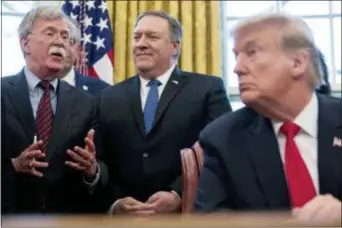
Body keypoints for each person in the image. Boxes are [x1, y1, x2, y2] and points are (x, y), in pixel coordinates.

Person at [194, 13, 342, 225]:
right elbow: (209, 221)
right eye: (237, 56)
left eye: (252, 53)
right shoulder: (223, 138)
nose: (237, 68)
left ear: (298, 62)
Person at [95, 10, 232, 215]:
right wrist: (115, 204)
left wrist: (180, 194)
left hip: (186, 216)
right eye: (137, 36)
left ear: (174, 46)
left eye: (152, 37)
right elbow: (99, 160)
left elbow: (219, 152)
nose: (141, 43)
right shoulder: (108, 97)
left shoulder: (208, 89)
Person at [1, 6, 105, 214]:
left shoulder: (87, 103)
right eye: (50, 33)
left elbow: (102, 167)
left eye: (65, 36)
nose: (61, 41)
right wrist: (13, 165)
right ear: (25, 43)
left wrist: (92, 170)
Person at [59, 17, 110, 97]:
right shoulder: (33, 86)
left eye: (71, 41)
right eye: (57, 41)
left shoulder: (103, 91)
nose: (64, 47)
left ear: (78, 49)